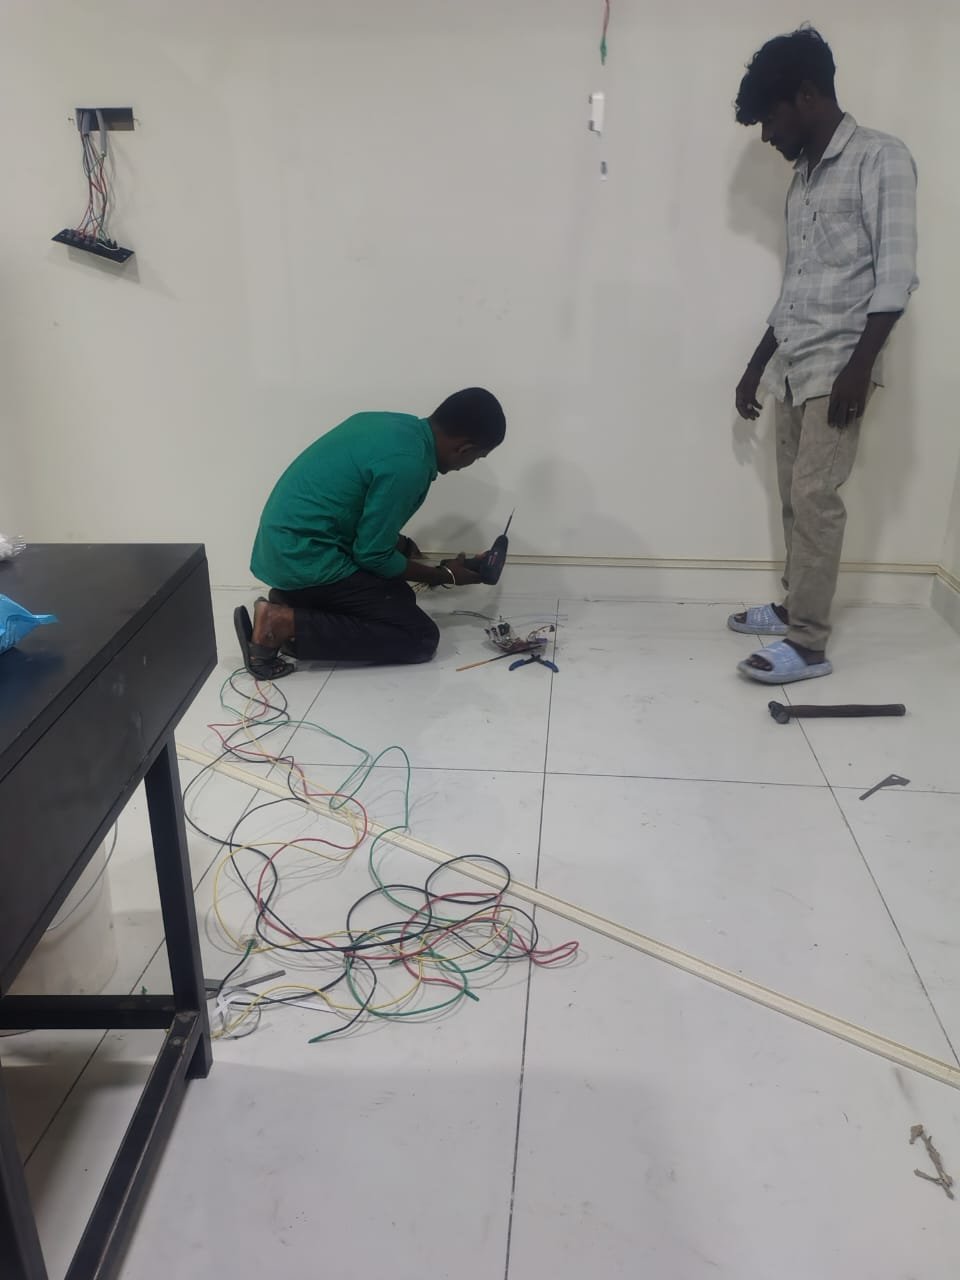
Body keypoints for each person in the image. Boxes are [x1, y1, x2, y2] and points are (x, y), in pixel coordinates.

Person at [730, 26, 918, 684]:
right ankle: (794, 607)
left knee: (815, 496)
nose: (766, 135)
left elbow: (896, 274)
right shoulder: (803, 182)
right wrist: (757, 364)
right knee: (794, 495)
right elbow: (797, 286)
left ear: (807, 96)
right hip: (794, 365)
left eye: (770, 118)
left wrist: (860, 368)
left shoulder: (880, 158)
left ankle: (809, 645)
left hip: (840, 366)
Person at [236, 387, 506, 678]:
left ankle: (295, 602)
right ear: (464, 449)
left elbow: (350, 508)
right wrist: (445, 576)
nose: (468, 465)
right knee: (420, 637)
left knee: (399, 596)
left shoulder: (387, 425)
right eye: (477, 457)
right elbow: (372, 555)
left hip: (280, 549)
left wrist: (407, 549)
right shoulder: (410, 465)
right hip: (304, 559)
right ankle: (283, 623)